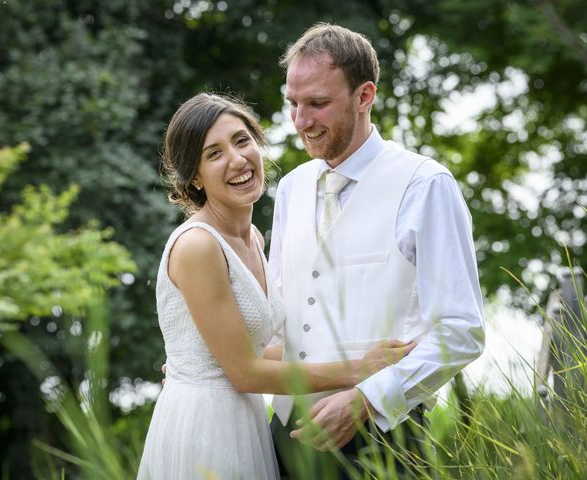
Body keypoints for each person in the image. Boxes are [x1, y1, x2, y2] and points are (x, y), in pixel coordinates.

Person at [136, 93, 416, 480]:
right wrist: (358, 371)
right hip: (205, 426)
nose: (237, 160)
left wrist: (364, 342)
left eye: (241, 140)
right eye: (214, 154)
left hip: (246, 420)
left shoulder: (253, 238)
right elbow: (244, 372)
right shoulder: (198, 245)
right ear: (194, 176)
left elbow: (258, 350)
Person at [268, 23, 486, 478]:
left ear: (365, 95)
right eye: (293, 104)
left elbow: (461, 330)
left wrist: (368, 399)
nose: (301, 121)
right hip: (284, 441)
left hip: (382, 442)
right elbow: (277, 317)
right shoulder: (290, 188)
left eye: (318, 104)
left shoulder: (425, 185)